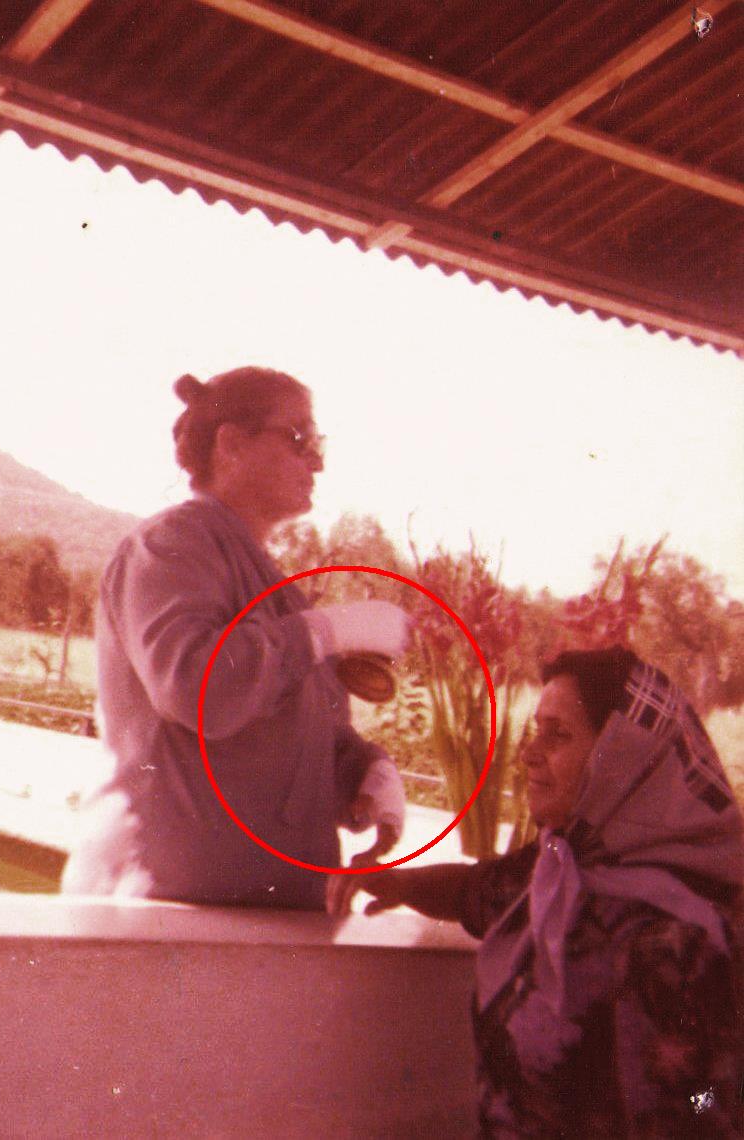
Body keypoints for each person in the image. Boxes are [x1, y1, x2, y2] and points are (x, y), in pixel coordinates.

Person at [329, 646, 743, 1137]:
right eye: (534, 731)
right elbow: (477, 890)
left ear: (620, 759)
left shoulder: (676, 940)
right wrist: (395, 882)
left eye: (558, 735)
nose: (528, 754)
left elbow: (709, 1105)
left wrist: (697, 1101)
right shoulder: (565, 869)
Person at [61, 366, 410, 908]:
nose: (317, 462)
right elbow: (195, 689)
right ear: (231, 445)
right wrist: (323, 631)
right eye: (299, 438)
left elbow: (285, 742)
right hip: (161, 913)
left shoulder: (276, 591)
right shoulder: (169, 547)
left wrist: (361, 771)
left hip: (262, 913)